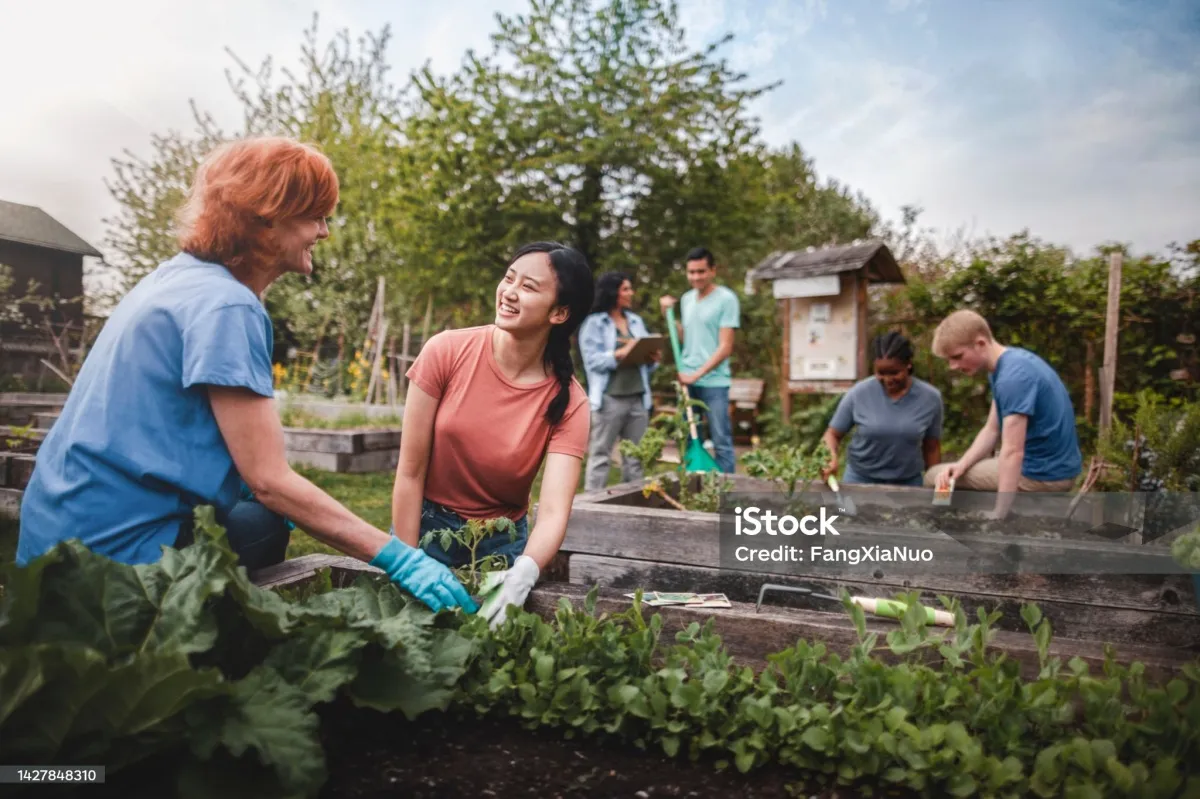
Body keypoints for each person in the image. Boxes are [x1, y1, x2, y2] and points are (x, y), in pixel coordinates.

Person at [16, 137, 476, 616]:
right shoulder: (227, 306)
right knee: (267, 518)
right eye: (314, 216)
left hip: (53, 541)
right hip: (113, 564)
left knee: (256, 515)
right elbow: (269, 480)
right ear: (267, 217)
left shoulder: (173, 278)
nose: (323, 232)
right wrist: (401, 559)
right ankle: (197, 645)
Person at [392, 241, 593, 627]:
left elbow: (552, 512)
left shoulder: (570, 403)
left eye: (529, 287)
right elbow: (410, 471)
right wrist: (406, 559)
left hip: (500, 547)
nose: (510, 292)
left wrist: (525, 572)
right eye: (508, 278)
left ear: (560, 312)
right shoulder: (446, 351)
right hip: (424, 528)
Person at [923, 309, 1082, 517]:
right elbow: (991, 430)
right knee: (950, 473)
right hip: (1051, 466)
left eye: (957, 357)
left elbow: (1012, 452)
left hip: (1044, 474)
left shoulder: (1012, 378)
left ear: (980, 343)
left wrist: (999, 513)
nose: (953, 366)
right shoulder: (1009, 365)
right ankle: (948, 519)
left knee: (933, 477)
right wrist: (960, 466)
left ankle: (943, 523)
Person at [821, 332, 944, 486]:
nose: (887, 379)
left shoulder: (930, 398)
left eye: (894, 373)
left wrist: (940, 492)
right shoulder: (859, 393)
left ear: (908, 365)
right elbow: (832, 434)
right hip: (860, 479)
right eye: (881, 373)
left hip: (908, 482)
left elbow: (932, 448)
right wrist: (830, 457)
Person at [659, 247, 741, 473]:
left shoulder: (726, 299)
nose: (696, 277)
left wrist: (697, 374)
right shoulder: (687, 299)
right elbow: (687, 337)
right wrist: (668, 315)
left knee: (721, 439)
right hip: (688, 380)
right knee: (686, 437)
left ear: (713, 271)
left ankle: (728, 495)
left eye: (701, 272)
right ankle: (693, 488)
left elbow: (725, 347)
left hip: (714, 382)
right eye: (691, 272)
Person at [578, 271, 661, 491]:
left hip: (638, 399)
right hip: (609, 400)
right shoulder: (594, 324)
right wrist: (620, 353)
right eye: (626, 289)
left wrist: (652, 358)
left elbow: (645, 360)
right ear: (613, 292)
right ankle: (591, 505)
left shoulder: (635, 321)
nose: (631, 293)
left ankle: (633, 505)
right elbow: (592, 361)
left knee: (635, 458)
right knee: (600, 455)